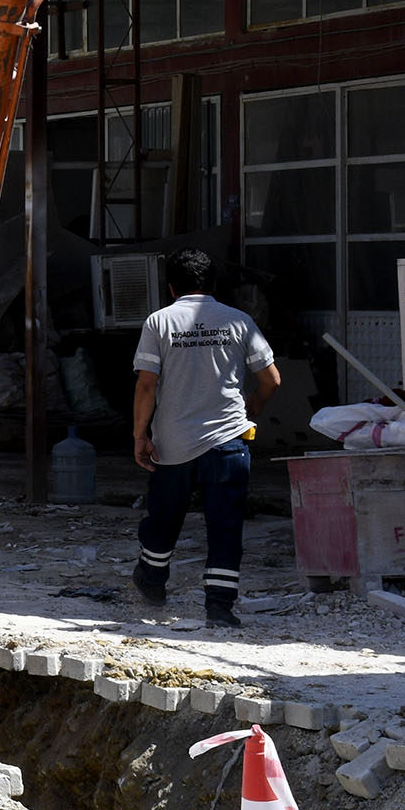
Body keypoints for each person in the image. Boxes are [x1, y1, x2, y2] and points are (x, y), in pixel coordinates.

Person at [130, 248, 280, 628]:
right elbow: (271, 378)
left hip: (173, 443)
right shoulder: (239, 321)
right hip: (229, 442)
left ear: (171, 286)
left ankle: (152, 583)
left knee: (163, 520)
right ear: (212, 284)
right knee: (226, 526)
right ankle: (220, 608)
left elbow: (147, 384)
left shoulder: (159, 322)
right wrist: (255, 405)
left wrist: (139, 434)